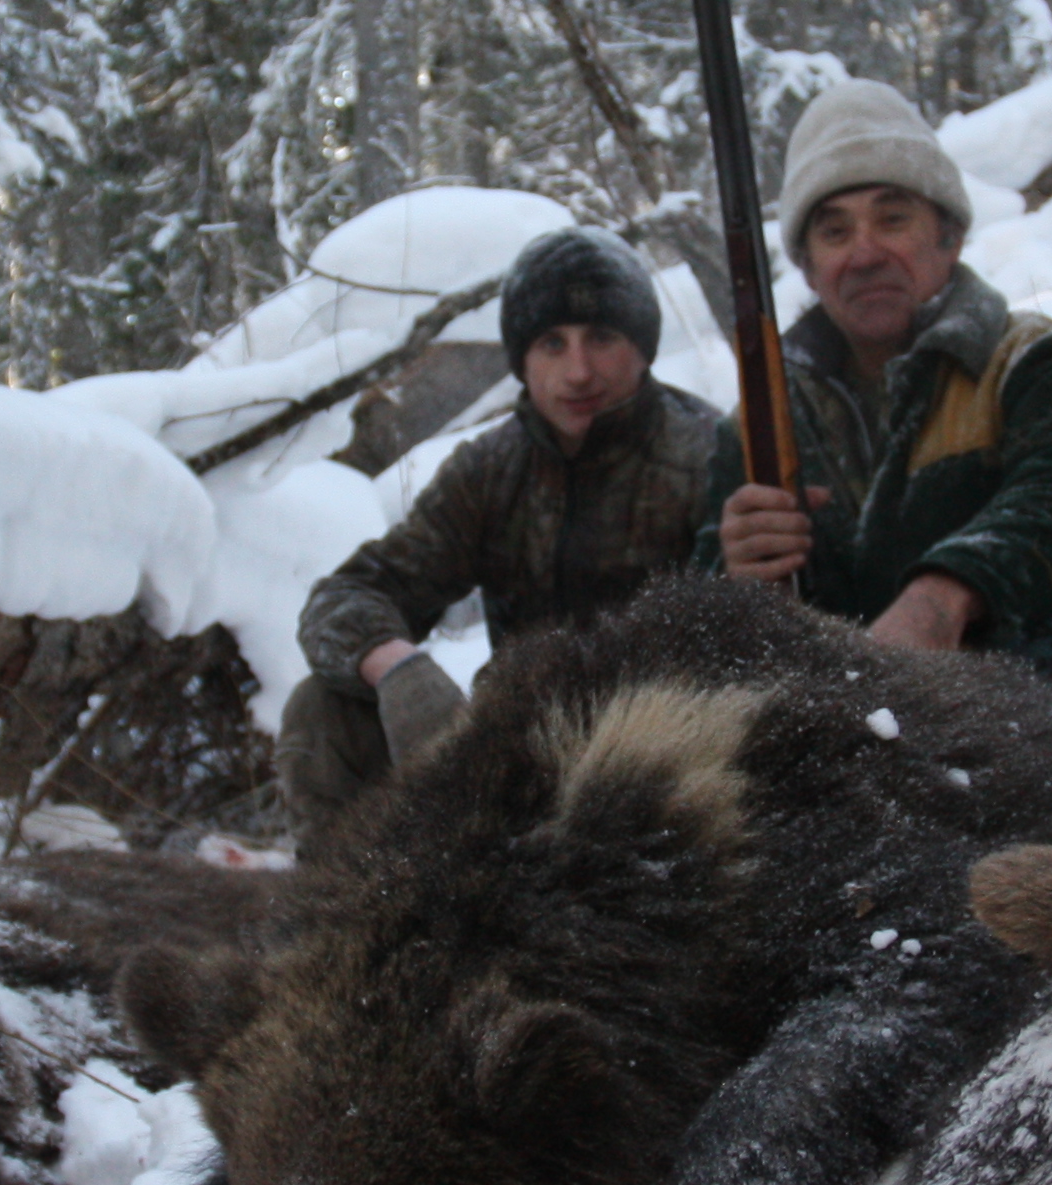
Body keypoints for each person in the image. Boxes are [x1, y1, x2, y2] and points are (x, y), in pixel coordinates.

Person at [280, 223, 732, 847]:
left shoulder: (711, 454)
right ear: (522, 361)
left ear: (643, 348)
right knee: (324, 709)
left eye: (601, 338)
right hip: (515, 748)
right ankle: (351, 918)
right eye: (552, 343)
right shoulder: (491, 470)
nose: (578, 371)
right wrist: (398, 667)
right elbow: (346, 597)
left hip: (668, 751)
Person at [707, 77, 1052, 714]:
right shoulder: (754, 430)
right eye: (834, 233)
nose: (864, 253)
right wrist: (732, 569)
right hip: (847, 750)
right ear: (805, 266)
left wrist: (944, 599)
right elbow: (702, 604)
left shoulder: (1039, 362)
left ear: (950, 235)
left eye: (893, 219)